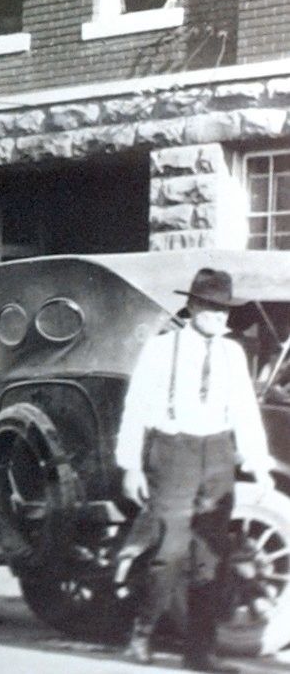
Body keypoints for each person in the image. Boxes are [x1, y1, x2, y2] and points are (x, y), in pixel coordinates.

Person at [117, 268, 273, 672]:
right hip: (173, 452)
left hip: (218, 454)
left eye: (225, 310)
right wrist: (131, 465)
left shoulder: (232, 353)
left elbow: (245, 411)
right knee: (168, 552)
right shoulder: (160, 349)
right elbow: (134, 410)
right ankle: (142, 632)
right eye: (211, 308)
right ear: (192, 306)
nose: (220, 317)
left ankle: (200, 651)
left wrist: (257, 461)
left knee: (211, 557)